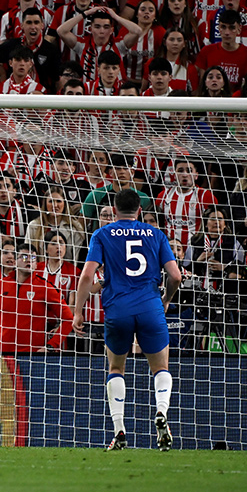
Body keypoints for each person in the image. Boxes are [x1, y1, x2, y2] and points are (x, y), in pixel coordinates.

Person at [73, 188, 182, 452]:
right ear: (140, 210)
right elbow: (176, 276)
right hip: (150, 307)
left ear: (114, 208)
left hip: (117, 309)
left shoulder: (102, 233)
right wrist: (166, 299)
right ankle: (161, 413)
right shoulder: (156, 234)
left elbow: (88, 277)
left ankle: (119, 430)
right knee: (160, 367)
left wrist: (78, 310)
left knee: (116, 369)